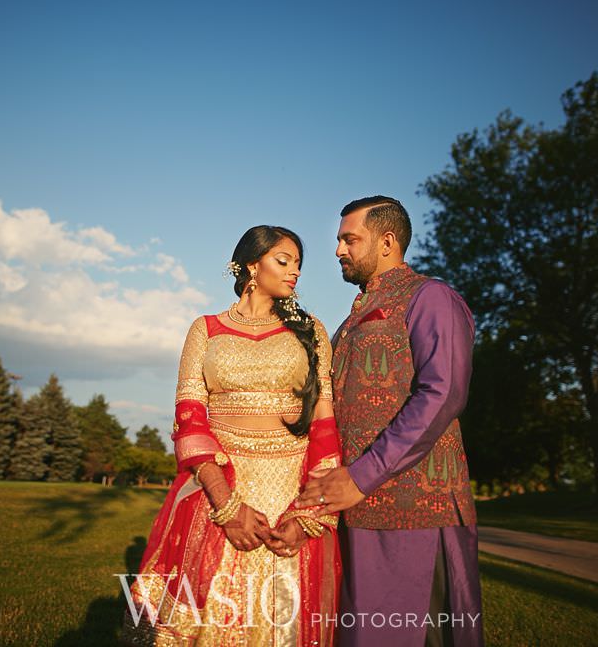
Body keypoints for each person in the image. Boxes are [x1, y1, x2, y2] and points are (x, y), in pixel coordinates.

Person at [123, 225, 342, 646]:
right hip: (218, 486)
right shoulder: (206, 328)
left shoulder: (310, 330)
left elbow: (324, 419)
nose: (295, 272)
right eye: (284, 260)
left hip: (289, 493)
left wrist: (312, 514)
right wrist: (224, 503)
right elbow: (189, 415)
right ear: (251, 266)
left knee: (282, 618)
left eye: (299, 263)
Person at [297, 196, 483, 647]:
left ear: (387, 241)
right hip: (355, 508)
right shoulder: (351, 319)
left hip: (417, 508)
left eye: (349, 239)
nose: (339, 250)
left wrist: (362, 476)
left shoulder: (430, 297)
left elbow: (443, 394)